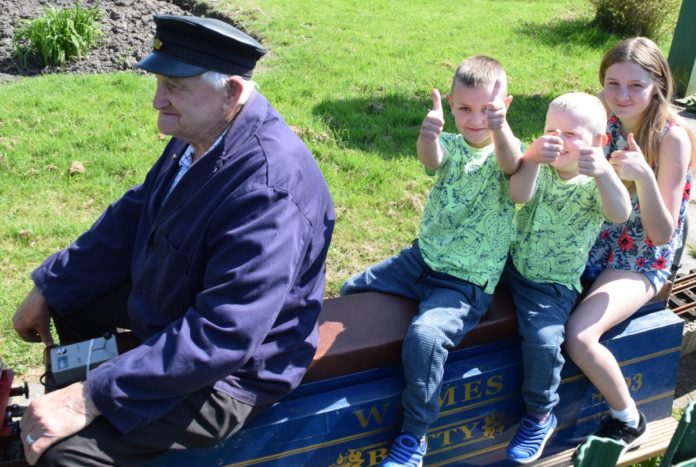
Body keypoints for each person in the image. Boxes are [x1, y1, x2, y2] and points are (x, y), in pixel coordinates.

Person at [11, 14, 335, 466]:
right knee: (74, 299)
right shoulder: (202, 131)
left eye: (176, 87)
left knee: (64, 457)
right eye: (159, 82)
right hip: (179, 303)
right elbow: (135, 214)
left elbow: (224, 332)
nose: (157, 101)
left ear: (233, 92)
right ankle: (71, 399)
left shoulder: (268, 190)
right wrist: (52, 286)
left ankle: (76, 415)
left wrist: (89, 397)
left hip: (232, 375)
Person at [340, 55, 522, 467]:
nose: (476, 120)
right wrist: (428, 134)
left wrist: (500, 127)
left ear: (506, 106)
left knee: (425, 337)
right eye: (465, 109)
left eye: (488, 110)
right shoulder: (455, 146)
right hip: (419, 261)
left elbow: (512, 166)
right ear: (453, 106)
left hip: (463, 283)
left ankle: (414, 437)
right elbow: (431, 160)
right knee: (352, 289)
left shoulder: (509, 152)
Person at [565, 36, 695, 456]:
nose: (622, 95)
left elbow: (661, 233)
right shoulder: (602, 118)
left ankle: (628, 417)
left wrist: (643, 176)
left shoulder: (670, 138)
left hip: (640, 257)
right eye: (611, 83)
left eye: (635, 85)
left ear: (658, 83)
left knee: (580, 336)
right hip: (592, 236)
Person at [501, 92, 631, 464]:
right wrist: (530, 158)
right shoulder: (540, 164)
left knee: (543, 341)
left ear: (599, 142)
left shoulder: (595, 183)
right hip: (510, 264)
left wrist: (604, 171)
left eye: (572, 134)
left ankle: (540, 415)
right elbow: (518, 194)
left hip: (550, 285)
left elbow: (620, 213)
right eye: (551, 130)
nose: (559, 139)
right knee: (458, 282)